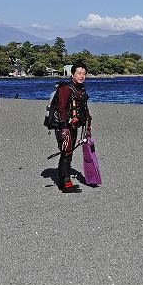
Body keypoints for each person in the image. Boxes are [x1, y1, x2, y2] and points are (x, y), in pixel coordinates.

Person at [54, 61, 91, 193]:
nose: (82, 76)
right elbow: (61, 109)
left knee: (69, 153)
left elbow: (84, 109)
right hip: (64, 127)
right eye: (79, 73)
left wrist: (88, 128)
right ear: (73, 74)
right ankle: (65, 184)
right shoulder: (65, 89)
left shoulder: (81, 89)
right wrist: (64, 128)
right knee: (66, 153)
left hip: (74, 126)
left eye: (84, 73)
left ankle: (66, 181)